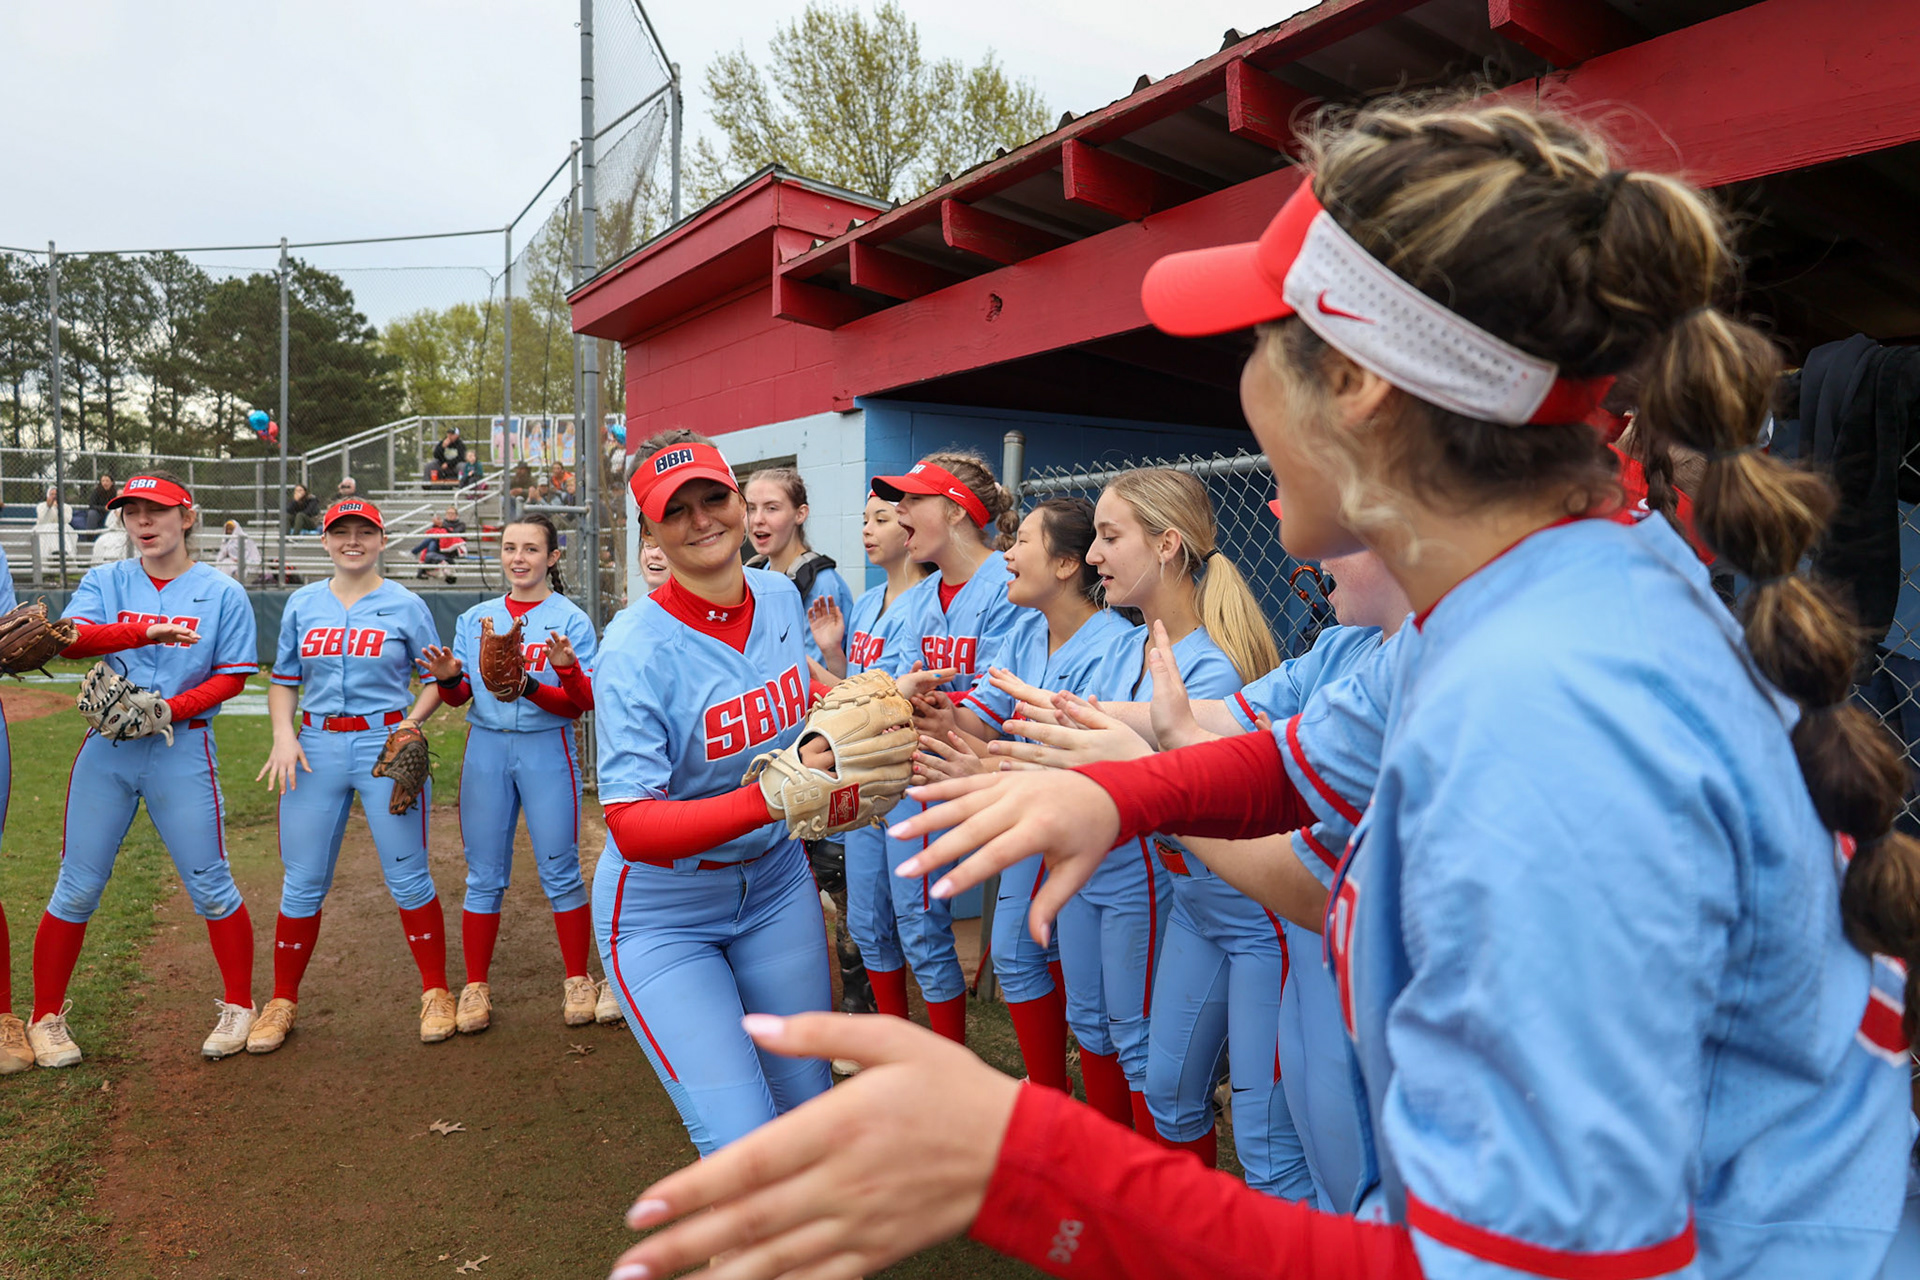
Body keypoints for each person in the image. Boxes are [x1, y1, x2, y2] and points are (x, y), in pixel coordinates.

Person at [605, 100, 1920, 1280]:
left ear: (1355, 387)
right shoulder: (1549, 579)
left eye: (1256, 342)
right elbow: (1303, 759)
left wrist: (1025, 1169)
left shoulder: (1548, 719)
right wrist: (1113, 796)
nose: (1237, 383)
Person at [591, 428, 839, 1156]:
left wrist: (868, 698)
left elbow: (794, 683)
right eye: (678, 510)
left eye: (714, 497)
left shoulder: (776, 594)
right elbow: (634, 826)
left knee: (806, 1109)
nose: (703, 520)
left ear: (737, 500)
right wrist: (777, 795)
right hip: (662, 913)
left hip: (775, 884)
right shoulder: (634, 648)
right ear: (652, 533)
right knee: (741, 1141)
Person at [26, 472, 260, 1068]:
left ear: (187, 517)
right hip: (107, 750)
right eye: (131, 513)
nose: (143, 522)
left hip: (182, 747)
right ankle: (45, 1018)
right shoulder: (107, 578)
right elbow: (71, 640)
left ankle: (240, 1005)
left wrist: (166, 710)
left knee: (211, 884)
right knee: (76, 886)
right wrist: (141, 629)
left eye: (155, 511)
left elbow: (231, 675)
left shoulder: (222, 590)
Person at [917, 497, 1131, 1095]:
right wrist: (937, 717)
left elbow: (1071, 768)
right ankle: (1055, 1100)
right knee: (1029, 959)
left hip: (1094, 838)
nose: (1007, 555)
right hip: (1033, 822)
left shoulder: (1113, 642)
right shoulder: (1027, 634)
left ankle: (1067, 1110)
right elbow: (978, 724)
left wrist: (980, 761)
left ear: (1066, 565)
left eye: (1024, 544)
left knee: (1090, 1002)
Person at [249, 498, 451, 1052]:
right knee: (302, 879)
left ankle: (436, 991)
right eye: (342, 532)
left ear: (382, 541)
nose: (353, 541)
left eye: (365, 531)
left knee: (408, 875)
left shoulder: (407, 604)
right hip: (314, 746)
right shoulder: (302, 603)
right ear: (325, 540)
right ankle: (282, 999)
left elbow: (435, 678)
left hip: (383, 743)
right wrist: (284, 735)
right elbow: (284, 678)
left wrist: (411, 721)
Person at [415, 513, 612, 1033]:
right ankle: (475, 986)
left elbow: (581, 704)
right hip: (487, 750)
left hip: (548, 749)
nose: (518, 558)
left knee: (561, 870)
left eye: (530, 548)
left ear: (552, 557)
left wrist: (547, 676)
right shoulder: (476, 615)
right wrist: (450, 678)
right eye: (509, 547)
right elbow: (460, 698)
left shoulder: (568, 618)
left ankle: (577, 977)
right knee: (483, 876)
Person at [868, 452, 1022, 1046]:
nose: (899, 511)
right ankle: (935, 1062)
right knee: (913, 922)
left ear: (956, 511)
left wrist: (936, 708)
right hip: (924, 764)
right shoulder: (922, 594)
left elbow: (993, 700)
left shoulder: (1004, 582)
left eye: (911, 501)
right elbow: (904, 683)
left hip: (996, 769)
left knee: (1030, 946)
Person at [805, 493, 931, 1032]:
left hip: (907, 778)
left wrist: (814, 676)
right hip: (864, 783)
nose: (869, 529)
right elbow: (858, 688)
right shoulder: (871, 598)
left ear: (911, 527)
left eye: (882, 518)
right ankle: (888, 1045)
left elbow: (886, 706)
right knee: (866, 919)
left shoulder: (928, 599)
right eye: (864, 519)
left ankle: (929, 1057)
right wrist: (833, 653)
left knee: (919, 926)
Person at [745, 467, 856, 667]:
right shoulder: (755, 573)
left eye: (772, 508)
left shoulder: (820, 583)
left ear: (800, 514)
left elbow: (816, 675)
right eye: (751, 508)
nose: (757, 519)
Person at [411, 518, 466, 585]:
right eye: (449, 513)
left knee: (431, 542)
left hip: (445, 552)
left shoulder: (461, 525)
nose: (450, 515)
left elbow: (454, 533)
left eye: (452, 513)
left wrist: (441, 525)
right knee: (432, 541)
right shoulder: (444, 524)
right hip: (441, 551)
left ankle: (414, 554)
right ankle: (415, 555)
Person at [32, 487, 75, 569]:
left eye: (56, 494)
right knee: (50, 529)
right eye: (52, 494)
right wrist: (49, 508)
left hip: (61, 527)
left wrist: (59, 509)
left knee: (63, 529)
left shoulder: (66, 507)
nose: (54, 496)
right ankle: (52, 555)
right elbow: (42, 520)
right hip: (44, 528)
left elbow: (67, 520)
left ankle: (64, 554)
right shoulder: (41, 506)